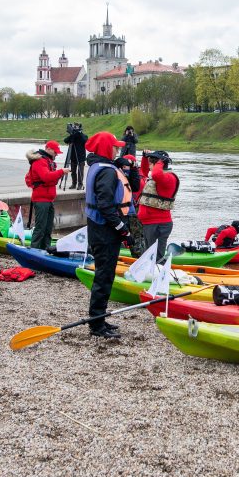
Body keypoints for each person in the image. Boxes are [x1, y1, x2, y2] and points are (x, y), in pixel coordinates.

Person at [84, 131, 139, 338]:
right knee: (104, 276)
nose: (118, 149)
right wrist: (122, 229)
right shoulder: (106, 171)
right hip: (104, 231)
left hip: (100, 229)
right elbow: (105, 205)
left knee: (104, 275)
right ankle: (96, 324)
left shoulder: (99, 166)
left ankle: (99, 318)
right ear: (106, 148)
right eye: (115, 146)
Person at [25, 140, 69, 251]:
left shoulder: (47, 161)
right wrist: (61, 172)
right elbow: (46, 177)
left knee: (48, 229)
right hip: (41, 200)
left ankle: (45, 250)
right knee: (40, 228)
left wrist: (59, 173)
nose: (56, 154)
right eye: (55, 151)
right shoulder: (40, 161)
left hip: (48, 200)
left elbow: (50, 178)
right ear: (48, 149)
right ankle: (34, 250)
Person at [138, 149, 180, 260]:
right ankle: (151, 273)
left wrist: (160, 161)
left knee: (156, 257)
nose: (149, 166)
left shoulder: (169, 178)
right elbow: (144, 171)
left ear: (158, 164)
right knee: (149, 254)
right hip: (150, 223)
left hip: (158, 224)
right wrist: (144, 157)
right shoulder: (158, 176)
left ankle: (158, 272)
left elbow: (156, 174)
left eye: (151, 163)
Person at [114, 154, 145, 257]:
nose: (126, 167)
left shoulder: (135, 174)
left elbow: (135, 186)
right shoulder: (118, 174)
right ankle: (135, 253)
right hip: (125, 211)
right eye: (125, 165)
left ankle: (138, 254)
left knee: (137, 235)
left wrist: (133, 169)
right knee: (132, 234)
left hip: (133, 210)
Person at [63, 122, 88, 189]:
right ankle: (74, 184)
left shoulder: (84, 136)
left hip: (81, 157)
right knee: (73, 171)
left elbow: (85, 140)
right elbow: (65, 140)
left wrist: (79, 133)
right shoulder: (73, 136)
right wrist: (73, 134)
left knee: (80, 171)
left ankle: (80, 184)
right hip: (73, 156)